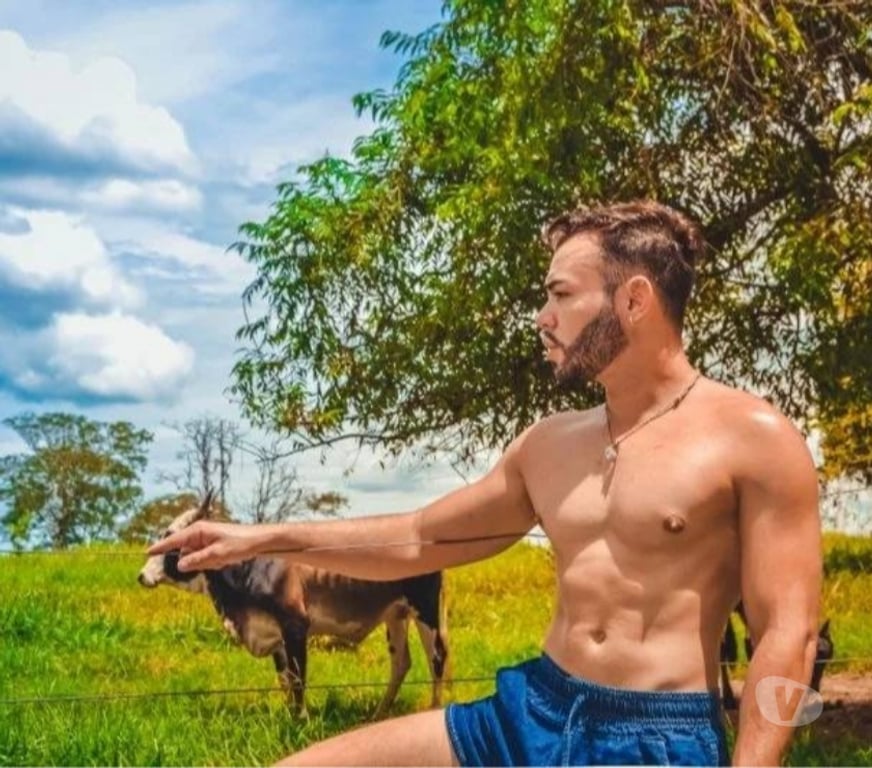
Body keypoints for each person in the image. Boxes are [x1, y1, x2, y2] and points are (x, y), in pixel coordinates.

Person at [149, 200, 822, 767]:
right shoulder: (551, 443)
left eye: (560, 294)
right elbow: (418, 539)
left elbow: (784, 634)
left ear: (634, 300)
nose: (542, 316)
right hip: (532, 708)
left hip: (656, 735)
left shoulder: (754, 438)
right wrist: (259, 539)